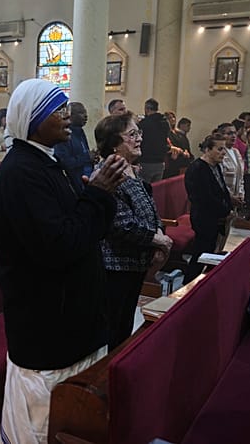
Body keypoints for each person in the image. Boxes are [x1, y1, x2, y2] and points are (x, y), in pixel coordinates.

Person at [0, 78, 126, 443]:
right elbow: (59, 245)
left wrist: (96, 195)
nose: (68, 115)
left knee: (67, 416)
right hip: (46, 326)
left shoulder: (50, 163)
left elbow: (82, 230)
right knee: (38, 423)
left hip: (72, 319)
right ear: (32, 119)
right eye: (57, 109)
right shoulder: (20, 173)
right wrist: (97, 195)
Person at [95, 111, 172, 350]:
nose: (139, 138)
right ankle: (103, 376)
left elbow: (150, 209)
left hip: (134, 262)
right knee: (113, 326)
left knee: (124, 323)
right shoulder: (109, 173)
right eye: (132, 134)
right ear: (115, 144)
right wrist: (157, 239)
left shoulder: (131, 170)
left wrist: (158, 236)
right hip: (115, 265)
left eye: (139, 133)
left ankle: (116, 368)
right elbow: (121, 224)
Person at [184, 134, 233, 280]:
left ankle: (203, 280)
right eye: (220, 149)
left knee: (211, 251)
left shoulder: (215, 166)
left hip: (215, 217)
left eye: (224, 149)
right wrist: (225, 210)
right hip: (204, 218)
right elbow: (205, 198)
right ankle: (188, 283)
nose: (223, 152)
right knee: (201, 253)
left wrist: (230, 203)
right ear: (207, 149)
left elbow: (221, 188)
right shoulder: (197, 169)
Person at [54, 101, 93, 187]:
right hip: (75, 182)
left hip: (86, 178)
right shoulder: (63, 134)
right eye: (81, 113)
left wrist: (92, 159)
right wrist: (87, 157)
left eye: (85, 112)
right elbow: (65, 163)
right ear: (70, 115)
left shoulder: (80, 131)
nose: (85, 115)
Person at [138, 98, 171, 183]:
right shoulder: (165, 122)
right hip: (160, 162)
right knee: (156, 189)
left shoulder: (144, 123)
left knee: (145, 189)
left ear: (147, 108)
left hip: (146, 161)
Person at [218, 122, 245, 212]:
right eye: (229, 134)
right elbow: (218, 179)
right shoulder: (219, 153)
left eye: (234, 133)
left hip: (235, 198)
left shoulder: (236, 152)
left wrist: (241, 195)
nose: (233, 136)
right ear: (221, 135)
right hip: (222, 198)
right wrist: (230, 197)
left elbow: (240, 176)